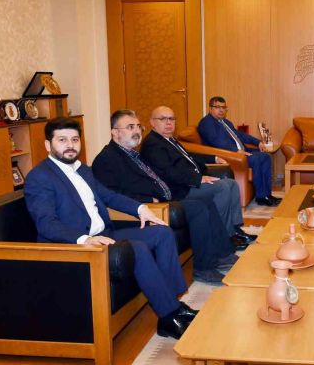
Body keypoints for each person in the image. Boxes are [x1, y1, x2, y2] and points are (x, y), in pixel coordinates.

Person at [24, 117, 197, 339]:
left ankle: (172, 306)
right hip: (76, 248)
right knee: (137, 248)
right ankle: (170, 316)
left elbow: (109, 196)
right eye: (62, 140)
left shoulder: (83, 170)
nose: (70, 145)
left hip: (105, 235)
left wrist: (140, 209)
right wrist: (84, 239)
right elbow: (46, 224)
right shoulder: (39, 177)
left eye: (75, 139)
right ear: (48, 145)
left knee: (162, 232)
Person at [92, 109, 238, 284]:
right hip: (147, 209)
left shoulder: (133, 154)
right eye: (130, 127)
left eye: (138, 126)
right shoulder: (106, 159)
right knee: (198, 208)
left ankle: (222, 254)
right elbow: (110, 195)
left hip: (164, 200)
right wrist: (147, 200)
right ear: (115, 132)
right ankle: (204, 268)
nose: (136, 131)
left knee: (205, 202)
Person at [140, 106, 256, 247]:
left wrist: (213, 158)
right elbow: (168, 173)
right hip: (178, 190)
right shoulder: (153, 144)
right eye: (163, 119)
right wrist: (198, 179)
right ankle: (225, 237)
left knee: (231, 184)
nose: (168, 122)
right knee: (223, 187)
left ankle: (234, 229)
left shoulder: (168, 139)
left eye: (171, 119)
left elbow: (188, 156)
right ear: (152, 122)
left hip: (186, 184)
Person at [197, 96, 281, 207]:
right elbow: (216, 141)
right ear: (210, 108)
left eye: (223, 107)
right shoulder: (207, 122)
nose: (221, 110)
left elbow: (240, 135)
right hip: (229, 155)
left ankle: (267, 194)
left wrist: (258, 142)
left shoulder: (226, 122)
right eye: (217, 107)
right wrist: (236, 151)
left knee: (265, 156)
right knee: (257, 159)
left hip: (240, 152)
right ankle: (261, 197)